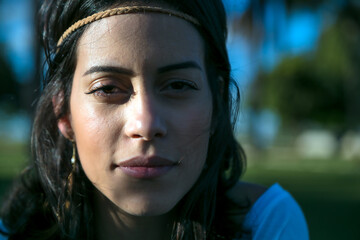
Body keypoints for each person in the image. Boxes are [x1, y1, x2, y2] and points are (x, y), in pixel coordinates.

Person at [0, 0, 309, 239]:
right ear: (63, 113)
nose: (146, 125)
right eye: (107, 88)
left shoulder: (264, 225)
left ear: (216, 105)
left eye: (178, 85)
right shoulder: (13, 231)